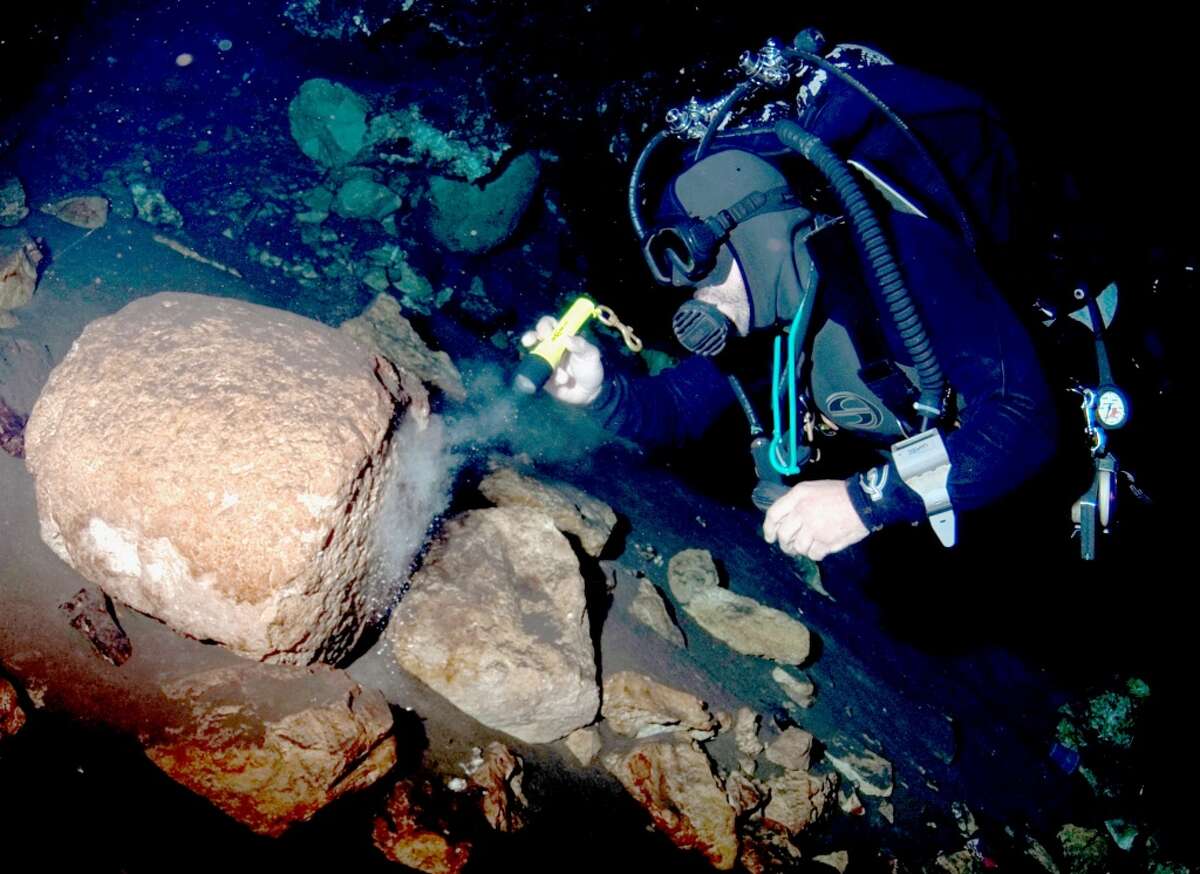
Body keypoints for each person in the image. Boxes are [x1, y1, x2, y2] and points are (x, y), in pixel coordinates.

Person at [522, 35, 1057, 563]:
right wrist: (599, 392)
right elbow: (677, 409)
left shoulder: (899, 257)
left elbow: (1025, 420)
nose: (692, 286)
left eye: (696, 253)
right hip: (949, 511)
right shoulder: (770, 330)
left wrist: (862, 503)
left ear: (753, 232)